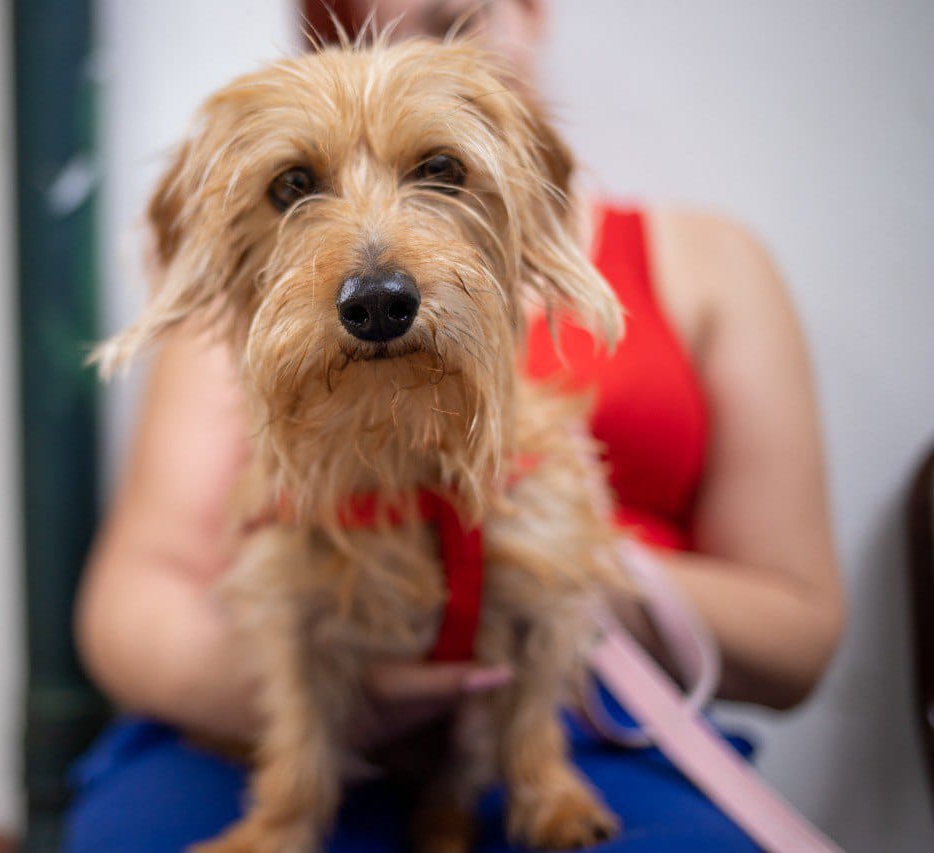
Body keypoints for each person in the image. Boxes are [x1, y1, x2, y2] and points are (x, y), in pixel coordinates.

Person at [61, 1, 846, 849]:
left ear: (529, 13)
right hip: (270, 707)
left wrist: (570, 567)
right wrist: (306, 692)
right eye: (296, 187)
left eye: (438, 169)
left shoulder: (710, 259)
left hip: (601, 708)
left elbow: (800, 638)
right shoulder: (251, 306)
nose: (374, 269)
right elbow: (129, 597)